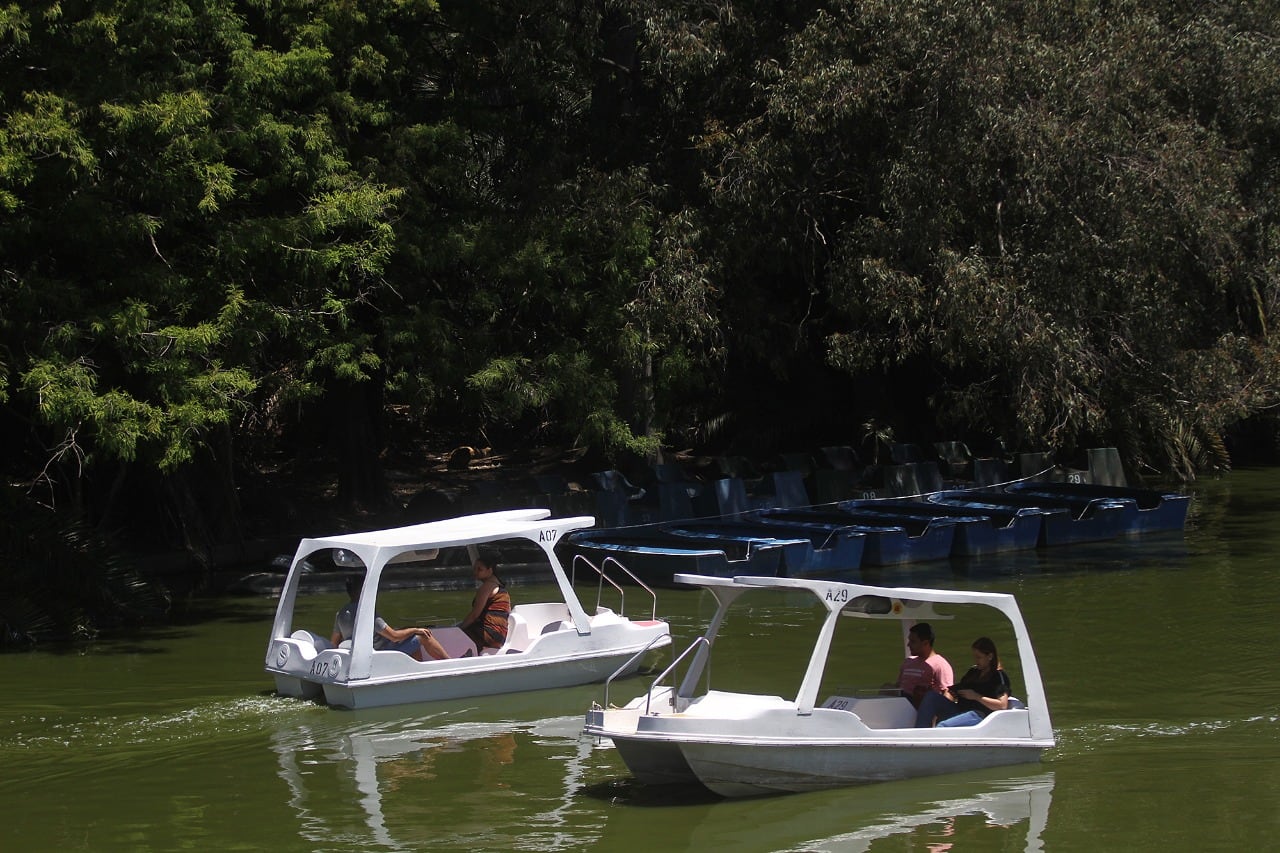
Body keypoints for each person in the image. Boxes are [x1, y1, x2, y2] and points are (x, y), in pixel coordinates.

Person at [332, 576, 449, 661]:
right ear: (363, 590)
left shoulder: (340, 614)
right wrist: (415, 630)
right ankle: (450, 663)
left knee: (409, 636)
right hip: (382, 655)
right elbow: (394, 637)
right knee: (423, 636)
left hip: (365, 654)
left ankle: (416, 670)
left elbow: (334, 643)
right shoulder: (367, 614)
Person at [915, 636, 1011, 727]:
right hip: (961, 710)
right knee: (931, 696)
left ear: (990, 656)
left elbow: (1002, 705)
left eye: (979, 657)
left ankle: (934, 740)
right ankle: (919, 733)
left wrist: (976, 697)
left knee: (943, 726)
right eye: (974, 657)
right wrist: (953, 693)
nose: (976, 661)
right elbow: (958, 688)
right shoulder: (973, 672)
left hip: (980, 715)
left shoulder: (998, 676)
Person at [890, 622, 954, 708]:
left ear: (925, 643)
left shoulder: (940, 664)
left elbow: (948, 693)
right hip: (900, 703)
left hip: (922, 706)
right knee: (886, 687)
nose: (908, 644)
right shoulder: (908, 661)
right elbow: (898, 685)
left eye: (913, 641)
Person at [457, 553, 511, 653]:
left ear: (490, 570)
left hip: (489, 635)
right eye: (474, 569)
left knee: (454, 635)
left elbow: (474, 615)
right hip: (500, 636)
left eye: (479, 569)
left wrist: (458, 630)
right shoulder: (499, 585)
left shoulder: (487, 586)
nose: (475, 572)